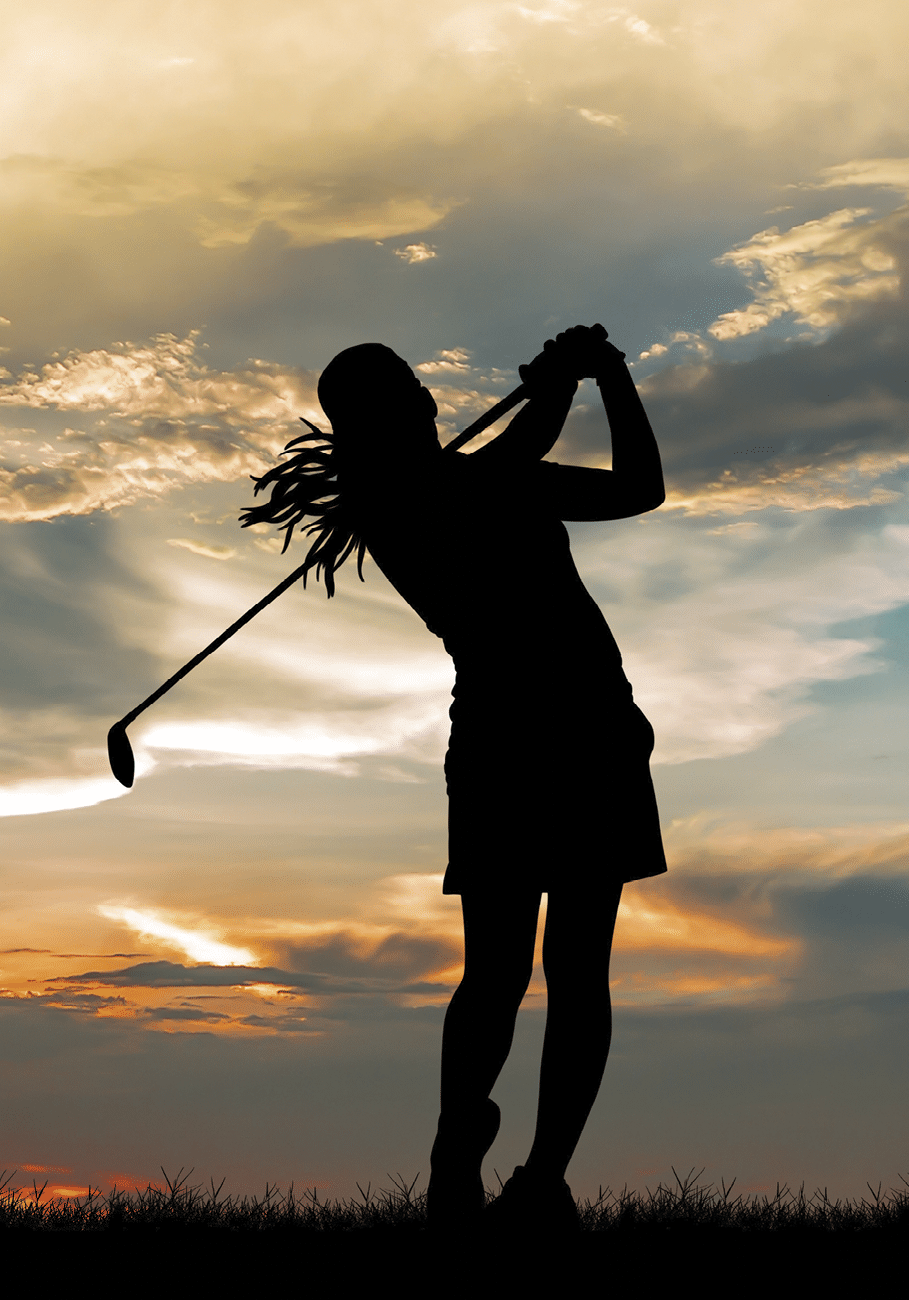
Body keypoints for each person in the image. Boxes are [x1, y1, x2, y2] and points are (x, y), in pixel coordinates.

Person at [244, 324, 667, 1230]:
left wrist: (577, 381)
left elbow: (619, 483)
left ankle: (520, 1175)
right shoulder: (420, 498)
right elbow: (579, 468)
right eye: (403, 389)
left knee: (526, 971)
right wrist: (591, 375)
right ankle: (489, 1165)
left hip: (551, 734)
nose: (423, 396)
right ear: (397, 416)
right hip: (553, 735)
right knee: (542, 972)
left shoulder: (443, 488)